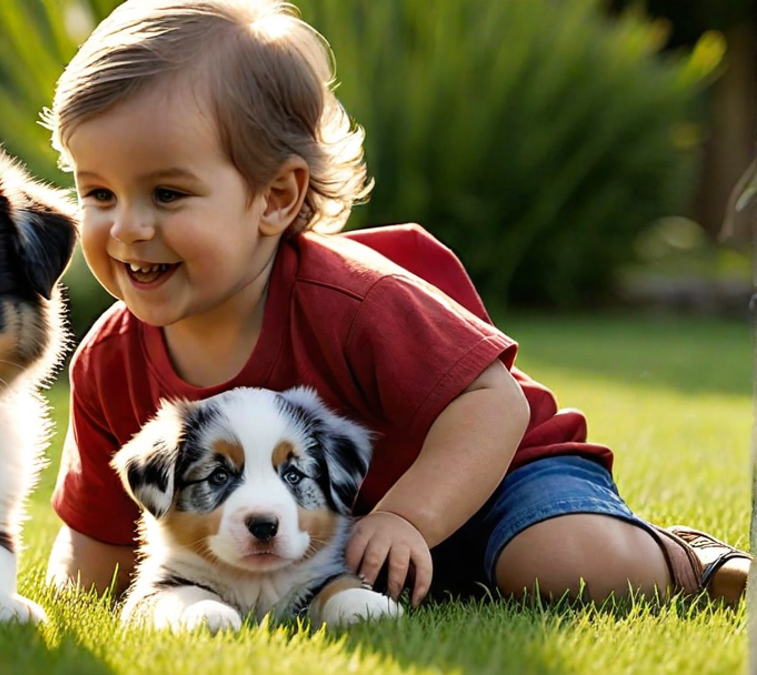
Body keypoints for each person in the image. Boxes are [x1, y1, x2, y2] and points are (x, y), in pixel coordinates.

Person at [41, 0, 750, 608]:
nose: (127, 226)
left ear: (275, 197)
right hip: (348, 539)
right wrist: (69, 590)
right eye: (99, 192)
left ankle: (690, 560)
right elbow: (101, 540)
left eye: (167, 193)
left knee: (561, 562)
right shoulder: (110, 357)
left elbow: (493, 405)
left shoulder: (353, 296)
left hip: (501, 477)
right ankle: (448, 576)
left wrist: (412, 515)